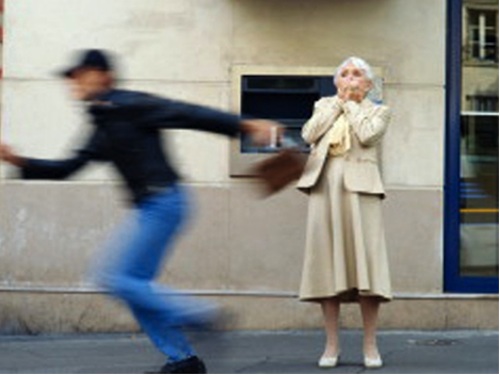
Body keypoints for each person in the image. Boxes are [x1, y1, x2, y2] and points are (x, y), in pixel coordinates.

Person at [0, 49, 282, 374]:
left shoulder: (131, 104)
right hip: (151, 207)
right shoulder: (102, 123)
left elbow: (186, 113)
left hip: (166, 201)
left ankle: (199, 316)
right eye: (71, 76)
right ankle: (183, 360)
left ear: (103, 75)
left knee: (115, 277)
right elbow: (69, 168)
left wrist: (244, 125)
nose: (73, 82)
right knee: (133, 286)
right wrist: (18, 161)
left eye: (80, 74)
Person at [297, 56, 392, 369]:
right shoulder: (323, 105)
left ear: (368, 84)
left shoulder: (378, 110)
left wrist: (351, 104)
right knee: (327, 265)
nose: (351, 79)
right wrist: (338, 103)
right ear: (336, 82)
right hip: (325, 189)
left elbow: (367, 135)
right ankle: (331, 345)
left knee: (365, 267)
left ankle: (370, 345)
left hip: (361, 192)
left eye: (357, 75)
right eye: (345, 74)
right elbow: (310, 134)